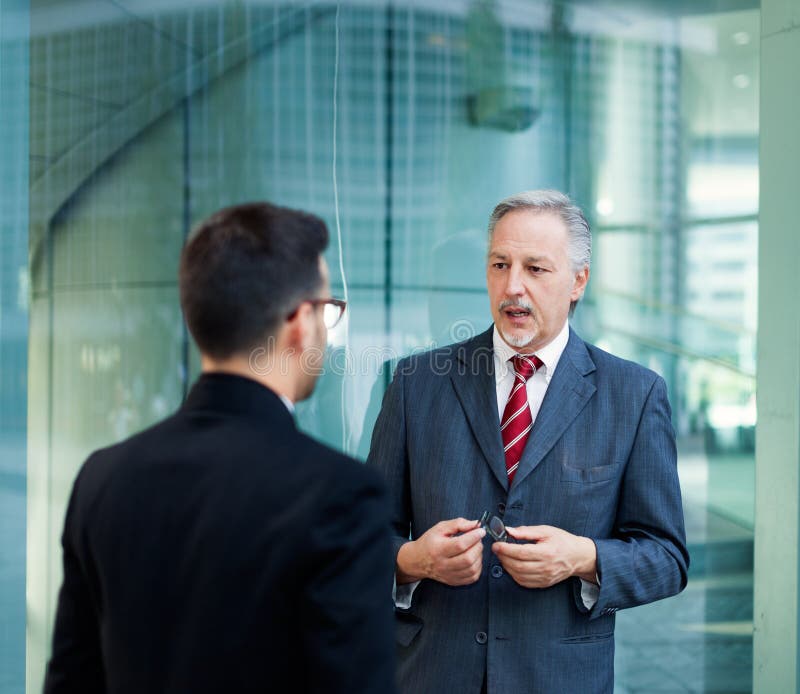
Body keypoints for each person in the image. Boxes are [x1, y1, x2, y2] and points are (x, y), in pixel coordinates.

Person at [44, 202, 396, 694]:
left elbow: (70, 681)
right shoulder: (341, 495)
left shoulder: (103, 478)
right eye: (326, 310)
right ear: (299, 322)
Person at [367, 190, 689, 693]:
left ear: (579, 280)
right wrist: (412, 561)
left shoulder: (635, 394)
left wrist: (584, 558)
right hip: (432, 676)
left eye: (535, 269)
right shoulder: (416, 383)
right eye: (500, 264)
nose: (512, 287)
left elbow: (667, 558)